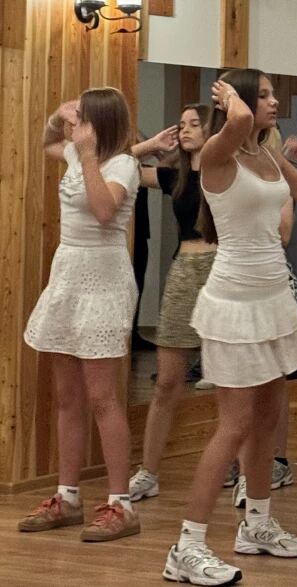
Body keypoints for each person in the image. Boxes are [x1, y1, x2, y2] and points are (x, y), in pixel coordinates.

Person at [161, 68, 297, 585]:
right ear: (234, 100)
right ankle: (187, 547)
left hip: (272, 298)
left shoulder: (267, 156)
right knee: (233, 425)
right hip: (234, 302)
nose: (274, 102)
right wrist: (230, 98)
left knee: (266, 419)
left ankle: (256, 524)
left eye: (273, 94)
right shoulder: (217, 153)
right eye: (264, 94)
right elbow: (236, 121)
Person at [20, 87, 142, 542]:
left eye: (82, 119)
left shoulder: (123, 164)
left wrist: (88, 155)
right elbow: (47, 142)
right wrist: (57, 115)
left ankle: (121, 504)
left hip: (104, 278)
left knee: (101, 396)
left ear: (100, 124)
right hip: (68, 274)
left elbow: (105, 210)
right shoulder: (73, 151)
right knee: (67, 396)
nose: (75, 126)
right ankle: (67, 497)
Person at [128, 103, 222, 502]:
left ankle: (238, 464)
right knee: (167, 381)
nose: (185, 130)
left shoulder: (227, 171)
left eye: (194, 124)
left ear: (212, 130)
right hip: (185, 268)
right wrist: (148, 145)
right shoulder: (174, 176)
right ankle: (148, 472)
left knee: (230, 381)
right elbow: (119, 166)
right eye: (181, 124)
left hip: (223, 268)